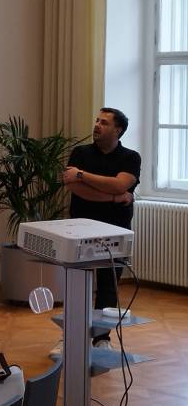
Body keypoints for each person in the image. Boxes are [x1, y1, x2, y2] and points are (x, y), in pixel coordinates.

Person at [61, 107, 141, 349]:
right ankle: (71, 337)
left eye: (104, 122)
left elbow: (119, 185)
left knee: (109, 286)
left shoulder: (131, 157)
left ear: (118, 130)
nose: (97, 125)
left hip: (115, 230)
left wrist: (82, 175)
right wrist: (114, 197)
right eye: (97, 120)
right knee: (77, 284)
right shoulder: (81, 152)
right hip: (80, 229)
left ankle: (101, 338)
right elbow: (75, 187)